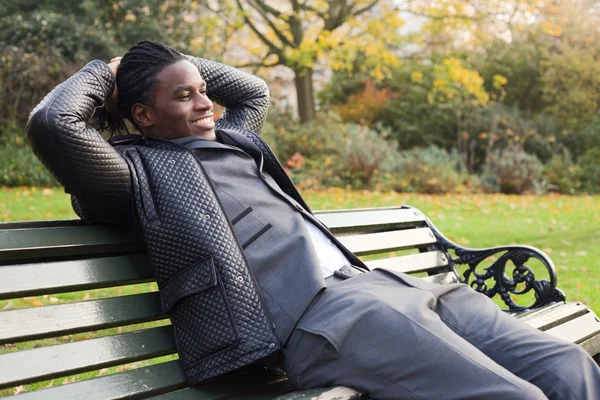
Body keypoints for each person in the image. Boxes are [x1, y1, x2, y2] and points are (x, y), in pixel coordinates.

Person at [28, 40, 600, 400]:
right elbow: (56, 124)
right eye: (184, 97)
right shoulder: (133, 174)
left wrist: (168, 59)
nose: (206, 103)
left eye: (204, 92)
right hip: (325, 322)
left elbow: (250, 88)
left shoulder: (235, 140)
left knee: (568, 367)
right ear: (142, 115)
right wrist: (111, 68)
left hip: (388, 289)